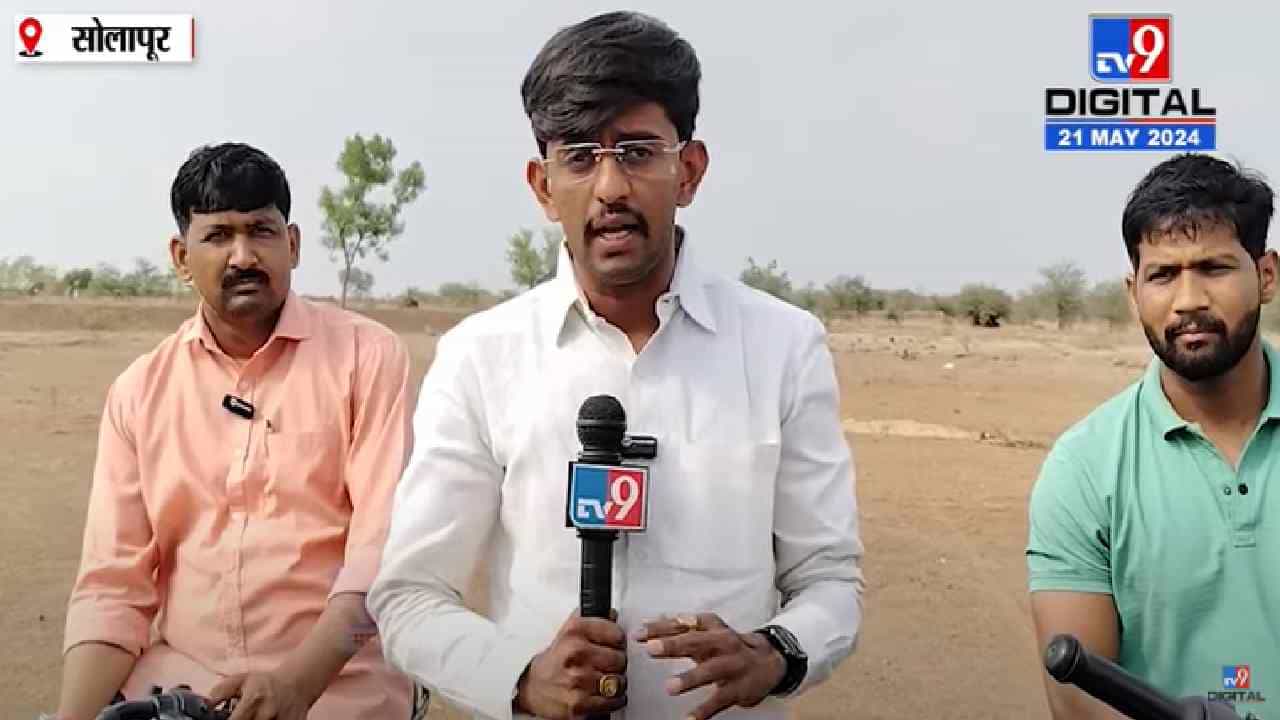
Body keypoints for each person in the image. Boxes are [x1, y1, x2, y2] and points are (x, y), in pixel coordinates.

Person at [368, 11, 864, 720]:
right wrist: (519, 678)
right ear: (542, 186)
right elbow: (409, 595)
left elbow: (830, 579)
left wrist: (776, 652)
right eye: (579, 156)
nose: (610, 188)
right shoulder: (481, 357)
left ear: (688, 171)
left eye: (636, 152)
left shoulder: (782, 347)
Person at [47, 143, 418, 720]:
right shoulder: (139, 392)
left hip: (338, 685)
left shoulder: (367, 358)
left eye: (261, 231)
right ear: (181, 257)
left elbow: (382, 553)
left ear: (293, 245)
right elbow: (113, 587)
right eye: (218, 236)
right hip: (181, 684)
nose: (243, 256)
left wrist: (296, 684)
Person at [1027, 153, 1279, 719]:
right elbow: (1079, 702)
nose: (1188, 300)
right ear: (1133, 291)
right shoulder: (1084, 469)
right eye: (1163, 275)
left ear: (1266, 275)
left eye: (1214, 268)